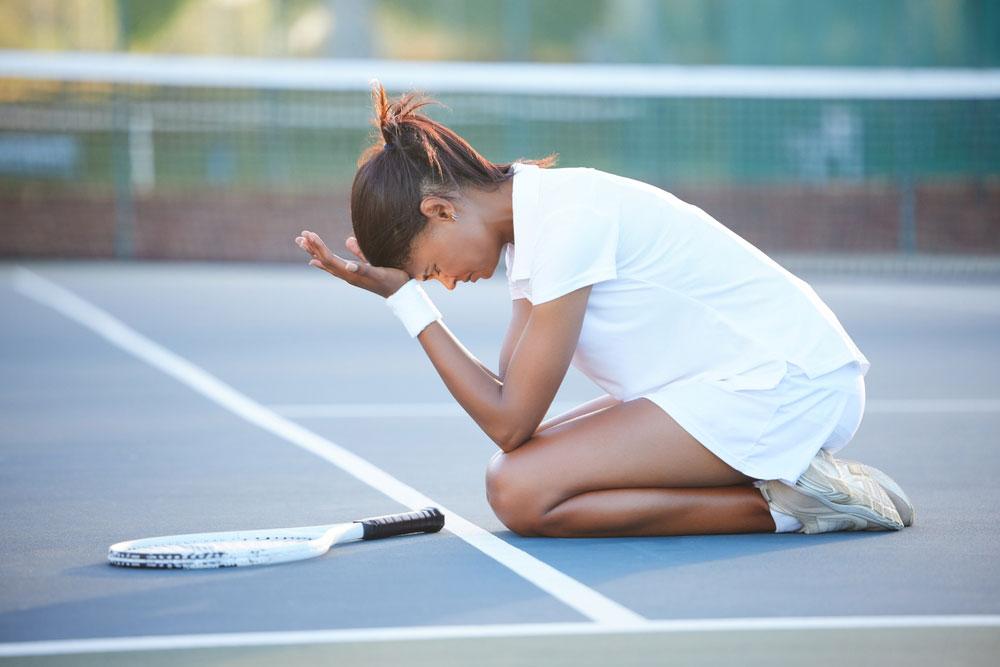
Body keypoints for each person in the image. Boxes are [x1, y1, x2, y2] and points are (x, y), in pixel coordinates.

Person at [294, 82, 915, 538]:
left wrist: (408, 302)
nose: (446, 285)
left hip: (789, 386)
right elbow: (517, 415)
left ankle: (797, 505)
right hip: (738, 386)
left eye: (432, 269)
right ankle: (789, 483)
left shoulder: (567, 223)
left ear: (440, 210)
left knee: (519, 490)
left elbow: (510, 421)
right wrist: (409, 293)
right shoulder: (535, 229)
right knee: (520, 473)